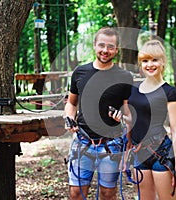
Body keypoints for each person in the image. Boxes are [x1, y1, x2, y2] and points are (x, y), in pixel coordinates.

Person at [64, 27, 133, 200]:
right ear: (94, 45)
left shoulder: (125, 76)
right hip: (82, 142)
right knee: (76, 194)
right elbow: (71, 103)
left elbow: (128, 112)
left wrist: (123, 118)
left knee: (107, 194)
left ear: (116, 50)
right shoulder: (80, 72)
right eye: (101, 45)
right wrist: (69, 118)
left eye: (110, 47)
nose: (105, 50)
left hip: (112, 145)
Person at [127, 39, 176, 200]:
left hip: (162, 152)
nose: (149, 65)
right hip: (139, 153)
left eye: (154, 60)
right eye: (145, 60)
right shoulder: (133, 90)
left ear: (163, 62)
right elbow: (134, 119)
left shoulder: (170, 91)